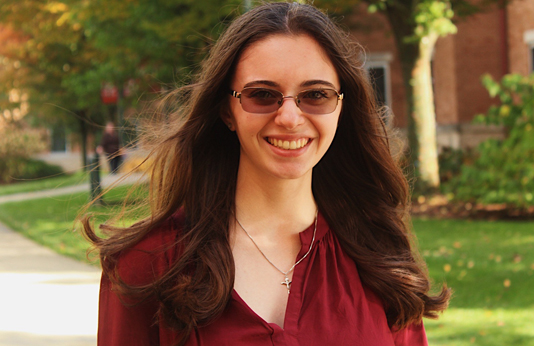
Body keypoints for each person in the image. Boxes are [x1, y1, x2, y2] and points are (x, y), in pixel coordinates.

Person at [82, 2, 450, 345]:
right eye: (262, 95)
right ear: (228, 110)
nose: (289, 117)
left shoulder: (381, 259)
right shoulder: (145, 264)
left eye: (316, 95)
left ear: (341, 107)